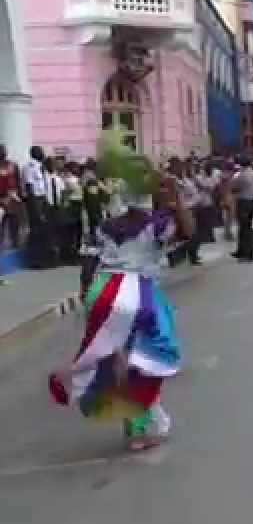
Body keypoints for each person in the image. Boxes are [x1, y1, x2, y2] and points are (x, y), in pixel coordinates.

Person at [48, 145, 190, 451]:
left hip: (102, 289)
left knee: (116, 358)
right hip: (136, 293)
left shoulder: (104, 227)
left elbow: (88, 264)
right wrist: (175, 197)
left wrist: (88, 298)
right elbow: (188, 232)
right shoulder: (156, 223)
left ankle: (134, 421)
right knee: (152, 358)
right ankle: (139, 427)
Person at [229, 157, 253, 262]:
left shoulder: (241, 175)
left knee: (244, 228)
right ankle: (243, 251)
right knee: (250, 227)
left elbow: (233, 187)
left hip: (243, 202)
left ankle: (247, 253)